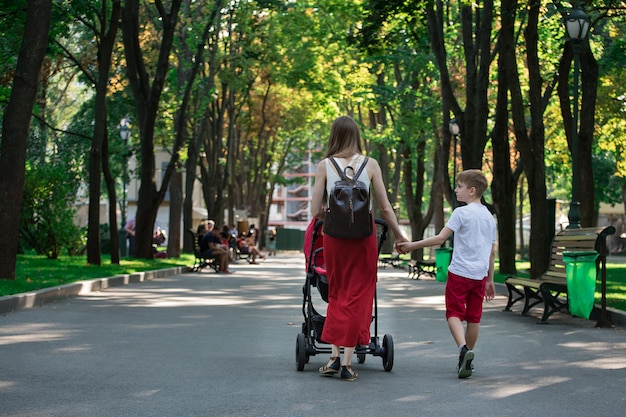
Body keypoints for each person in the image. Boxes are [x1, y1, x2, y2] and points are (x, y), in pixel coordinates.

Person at [311, 115, 407, 381]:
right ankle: (347, 363)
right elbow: (385, 208)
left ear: (334, 136)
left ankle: (333, 357)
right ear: (356, 136)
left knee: (338, 292)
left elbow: (314, 210)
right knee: (359, 295)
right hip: (363, 239)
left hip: (335, 241)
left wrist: (335, 217)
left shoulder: (324, 166)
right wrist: (399, 236)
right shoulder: (371, 164)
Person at [397, 169, 497, 379]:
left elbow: (440, 239)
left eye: (459, 186)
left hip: (460, 273)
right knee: (474, 318)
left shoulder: (461, 213)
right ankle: (467, 358)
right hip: (479, 276)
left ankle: (462, 349)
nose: (455, 190)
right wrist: (490, 279)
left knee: (453, 313)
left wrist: (412, 246)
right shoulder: (489, 217)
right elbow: (492, 250)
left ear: (471, 190)